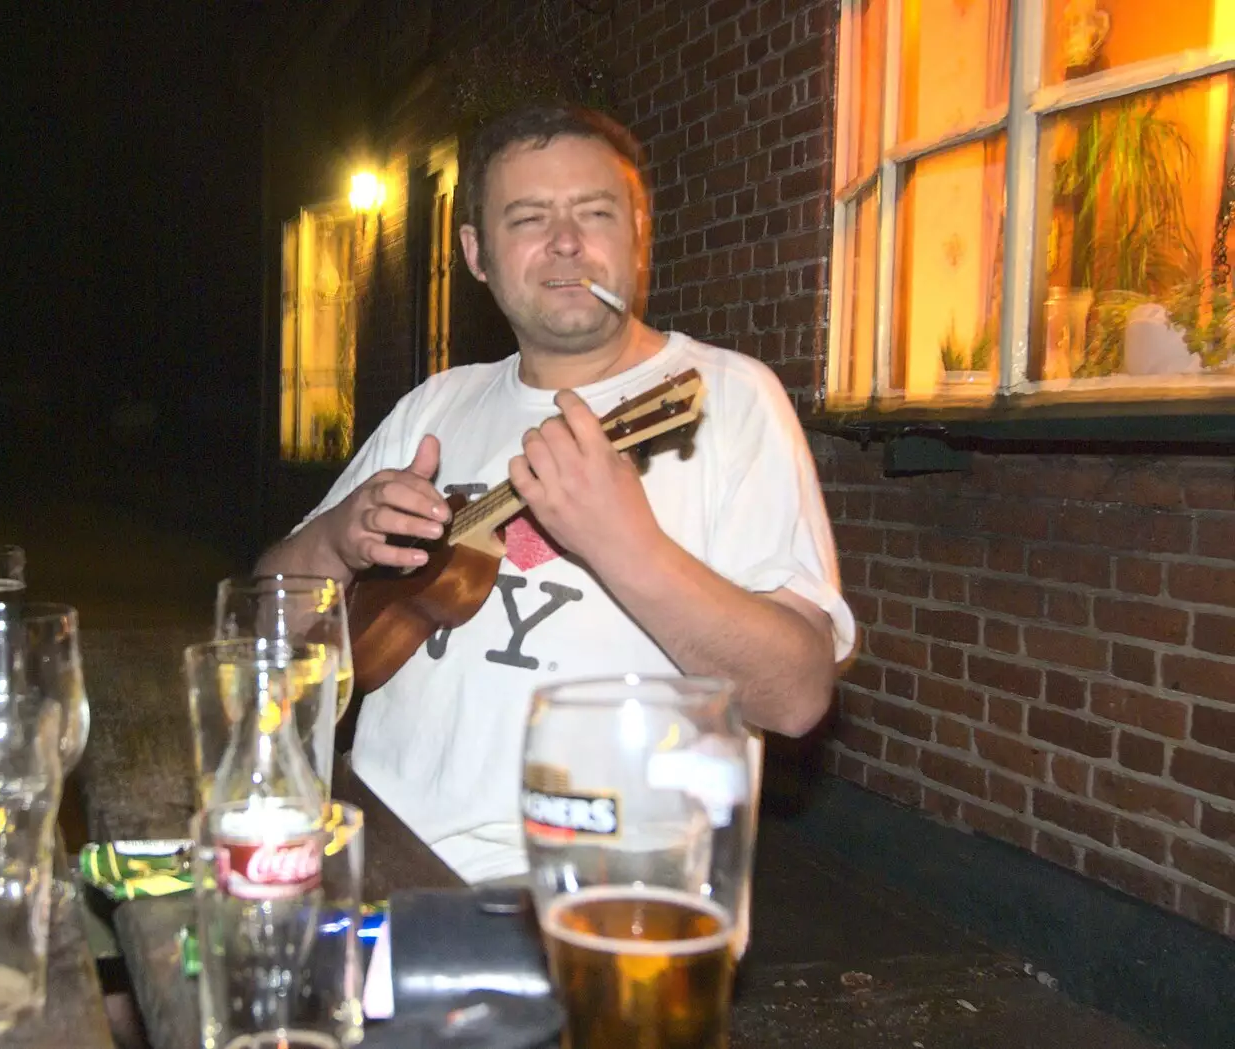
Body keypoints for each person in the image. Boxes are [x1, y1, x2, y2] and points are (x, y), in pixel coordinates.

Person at [257, 103, 855, 883]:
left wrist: (622, 541)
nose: (566, 242)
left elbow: (797, 694)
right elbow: (261, 630)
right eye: (529, 217)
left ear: (639, 231)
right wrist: (336, 538)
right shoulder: (436, 404)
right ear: (477, 254)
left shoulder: (729, 397)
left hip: (601, 898)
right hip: (376, 858)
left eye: (595, 213)